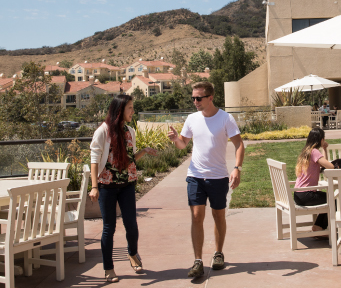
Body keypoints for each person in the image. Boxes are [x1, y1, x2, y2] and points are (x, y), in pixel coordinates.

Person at [168, 81, 244, 278]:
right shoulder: (192, 119)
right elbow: (183, 144)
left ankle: (218, 254)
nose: (195, 101)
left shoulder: (226, 118)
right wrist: (176, 139)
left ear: (210, 97)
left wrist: (237, 168)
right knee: (196, 216)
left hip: (218, 177)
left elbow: (239, 144)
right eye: (193, 98)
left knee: (218, 215)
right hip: (195, 176)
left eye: (198, 98)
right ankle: (198, 261)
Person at [89, 94, 158, 283]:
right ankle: (108, 268)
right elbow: (94, 159)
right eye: (130, 108)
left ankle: (133, 253)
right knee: (108, 228)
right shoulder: (103, 132)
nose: (132, 111)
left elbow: (129, 159)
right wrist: (94, 186)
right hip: (107, 187)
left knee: (131, 224)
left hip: (127, 184)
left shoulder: (130, 131)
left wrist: (143, 151)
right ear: (119, 110)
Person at [293, 128, 334, 233]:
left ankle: (319, 225)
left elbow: (323, 163)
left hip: (298, 195)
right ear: (320, 139)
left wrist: (324, 149)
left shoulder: (306, 151)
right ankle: (319, 226)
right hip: (307, 195)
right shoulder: (314, 152)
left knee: (329, 198)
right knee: (333, 200)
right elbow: (330, 166)